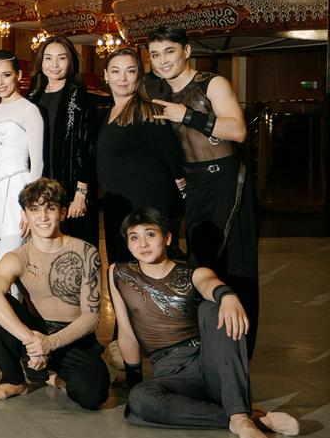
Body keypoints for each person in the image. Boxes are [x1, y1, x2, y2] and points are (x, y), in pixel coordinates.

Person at [110, 207, 297, 438]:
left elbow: (208, 282)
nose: (143, 244)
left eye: (150, 234)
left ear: (167, 238)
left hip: (211, 364)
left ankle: (238, 415)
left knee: (214, 307)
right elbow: (127, 333)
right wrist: (135, 381)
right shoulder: (120, 273)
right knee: (139, 401)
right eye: (134, 237)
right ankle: (247, 418)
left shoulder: (193, 272)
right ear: (128, 244)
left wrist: (226, 295)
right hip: (172, 376)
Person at [146, 24, 259, 356]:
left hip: (228, 182)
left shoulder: (212, 83)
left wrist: (187, 115)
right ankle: (209, 351)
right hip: (194, 186)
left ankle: (240, 355)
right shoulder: (158, 92)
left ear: (186, 51)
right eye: (155, 54)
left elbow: (237, 130)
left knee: (236, 268)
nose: (163, 60)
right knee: (200, 266)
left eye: (169, 51)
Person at [0, 178, 109, 410]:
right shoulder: (17, 257)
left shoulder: (86, 252)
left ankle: (52, 377)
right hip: (35, 333)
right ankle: (14, 380)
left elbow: (92, 317)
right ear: (25, 215)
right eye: (35, 209)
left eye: (50, 208)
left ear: (63, 213)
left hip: (72, 337)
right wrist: (33, 341)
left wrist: (50, 343)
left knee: (93, 395)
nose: (43, 216)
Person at [96, 48, 183, 266]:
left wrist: (181, 182)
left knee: (147, 270)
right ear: (106, 75)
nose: (122, 78)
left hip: (144, 208)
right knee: (123, 269)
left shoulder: (146, 111)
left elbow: (171, 155)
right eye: (116, 71)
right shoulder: (110, 111)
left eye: (130, 71)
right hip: (118, 205)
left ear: (139, 75)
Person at [28, 36, 100, 246]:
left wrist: (81, 193)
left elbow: (88, 148)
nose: (55, 64)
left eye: (61, 58)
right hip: (41, 187)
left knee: (75, 247)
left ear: (71, 62)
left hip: (71, 188)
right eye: (48, 58)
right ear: (41, 62)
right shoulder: (33, 97)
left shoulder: (80, 99)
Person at [0, 51, 43, 258]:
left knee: (10, 262)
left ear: (18, 75)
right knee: (6, 263)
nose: (0, 82)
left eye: (6, 75)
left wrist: (29, 206)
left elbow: (38, 163)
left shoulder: (29, 110)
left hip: (18, 191)